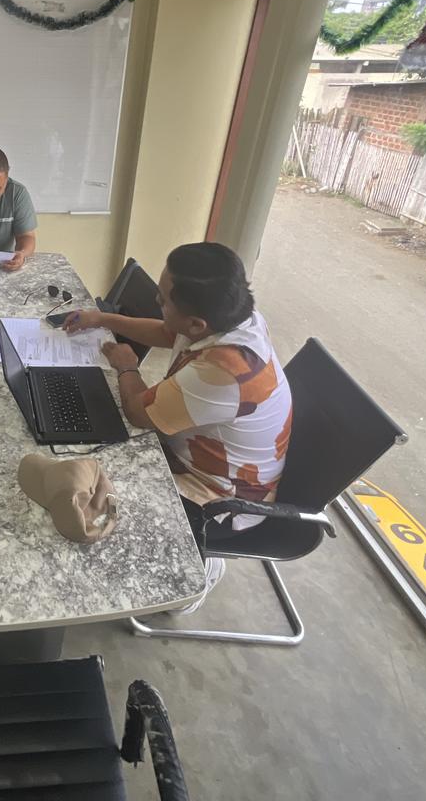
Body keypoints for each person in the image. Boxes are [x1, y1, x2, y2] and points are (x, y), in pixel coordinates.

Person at [64, 242, 292, 591]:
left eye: (163, 301)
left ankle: (198, 574)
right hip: (195, 457)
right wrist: (102, 319)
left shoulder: (225, 371)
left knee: (90, 499)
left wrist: (127, 366)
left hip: (219, 500)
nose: (157, 302)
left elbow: (137, 412)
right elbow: (169, 331)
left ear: (197, 323)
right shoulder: (236, 319)